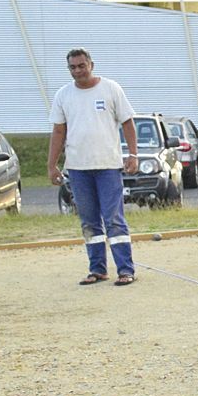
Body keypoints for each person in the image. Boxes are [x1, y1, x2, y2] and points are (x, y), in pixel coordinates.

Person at [47, 47, 140, 286]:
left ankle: (125, 269)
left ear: (91, 65)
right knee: (89, 221)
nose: (78, 71)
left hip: (108, 166)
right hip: (78, 168)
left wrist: (132, 154)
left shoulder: (110, 89)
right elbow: (58, 131)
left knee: (114, 218)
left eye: (81, 66)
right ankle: (97, 269)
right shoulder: (63, 95)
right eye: (72, 67)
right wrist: (52, 165)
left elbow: (128, 122)